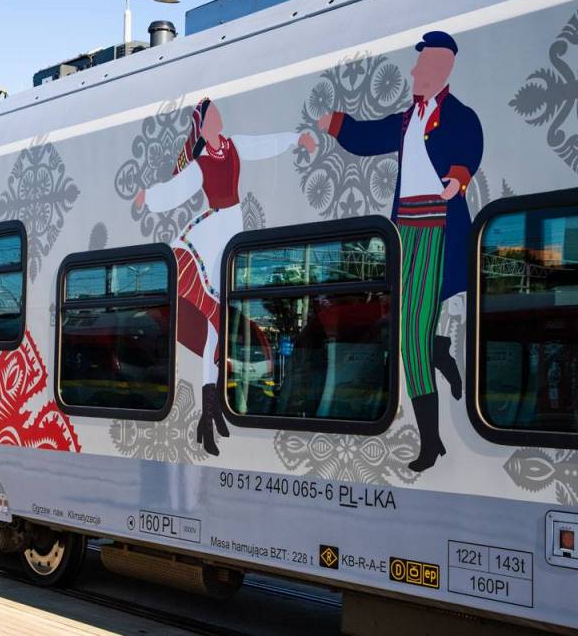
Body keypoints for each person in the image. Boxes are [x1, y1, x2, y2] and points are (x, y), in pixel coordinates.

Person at [318, 31, 483, 472]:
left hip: (435, 228)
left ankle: (431, 442)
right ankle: (438, 349)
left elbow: (470, 142)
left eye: (421, 65)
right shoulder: (409, 118)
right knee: (406, 328)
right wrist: (336, 124)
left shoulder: (457, 115)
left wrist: (458, 177)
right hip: (404, 230)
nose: (413, 72)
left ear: (441, 68)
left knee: (409, 334)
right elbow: (368, 137)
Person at [134, 97, 316, 456]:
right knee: (215, 321)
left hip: (231, 230)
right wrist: (148, 197)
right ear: (202, 128)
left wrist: (296, 139)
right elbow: (175, 191)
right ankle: (211, 412)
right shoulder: (201, 163)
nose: (217, 115)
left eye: (216, 111)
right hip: (211, 235)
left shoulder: (234, 146)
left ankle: (210, 413)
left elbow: (264, 145)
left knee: (216, 328)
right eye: (211, 113)